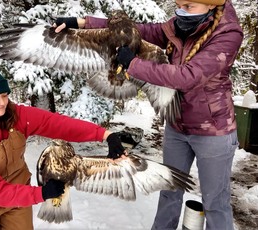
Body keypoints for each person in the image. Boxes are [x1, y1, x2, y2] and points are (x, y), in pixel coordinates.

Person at [53, 0, 243, 229]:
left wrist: (133, 64)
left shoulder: (228, 33)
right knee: (169, 192)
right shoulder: (178, 25)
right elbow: (136, 30)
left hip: (213, 131)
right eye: (179, 5)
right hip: (177, 126)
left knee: (215, 201)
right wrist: (82, 23)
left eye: (189, 6)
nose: (182, 11)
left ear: (210, 6)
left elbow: (188, 77)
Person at [0, 54, 126, 229]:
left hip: (18, 191)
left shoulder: (16, 116)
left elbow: (58, 124)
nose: (2, 103)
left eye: (4, 95)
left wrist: (105, 135)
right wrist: (41, 193)